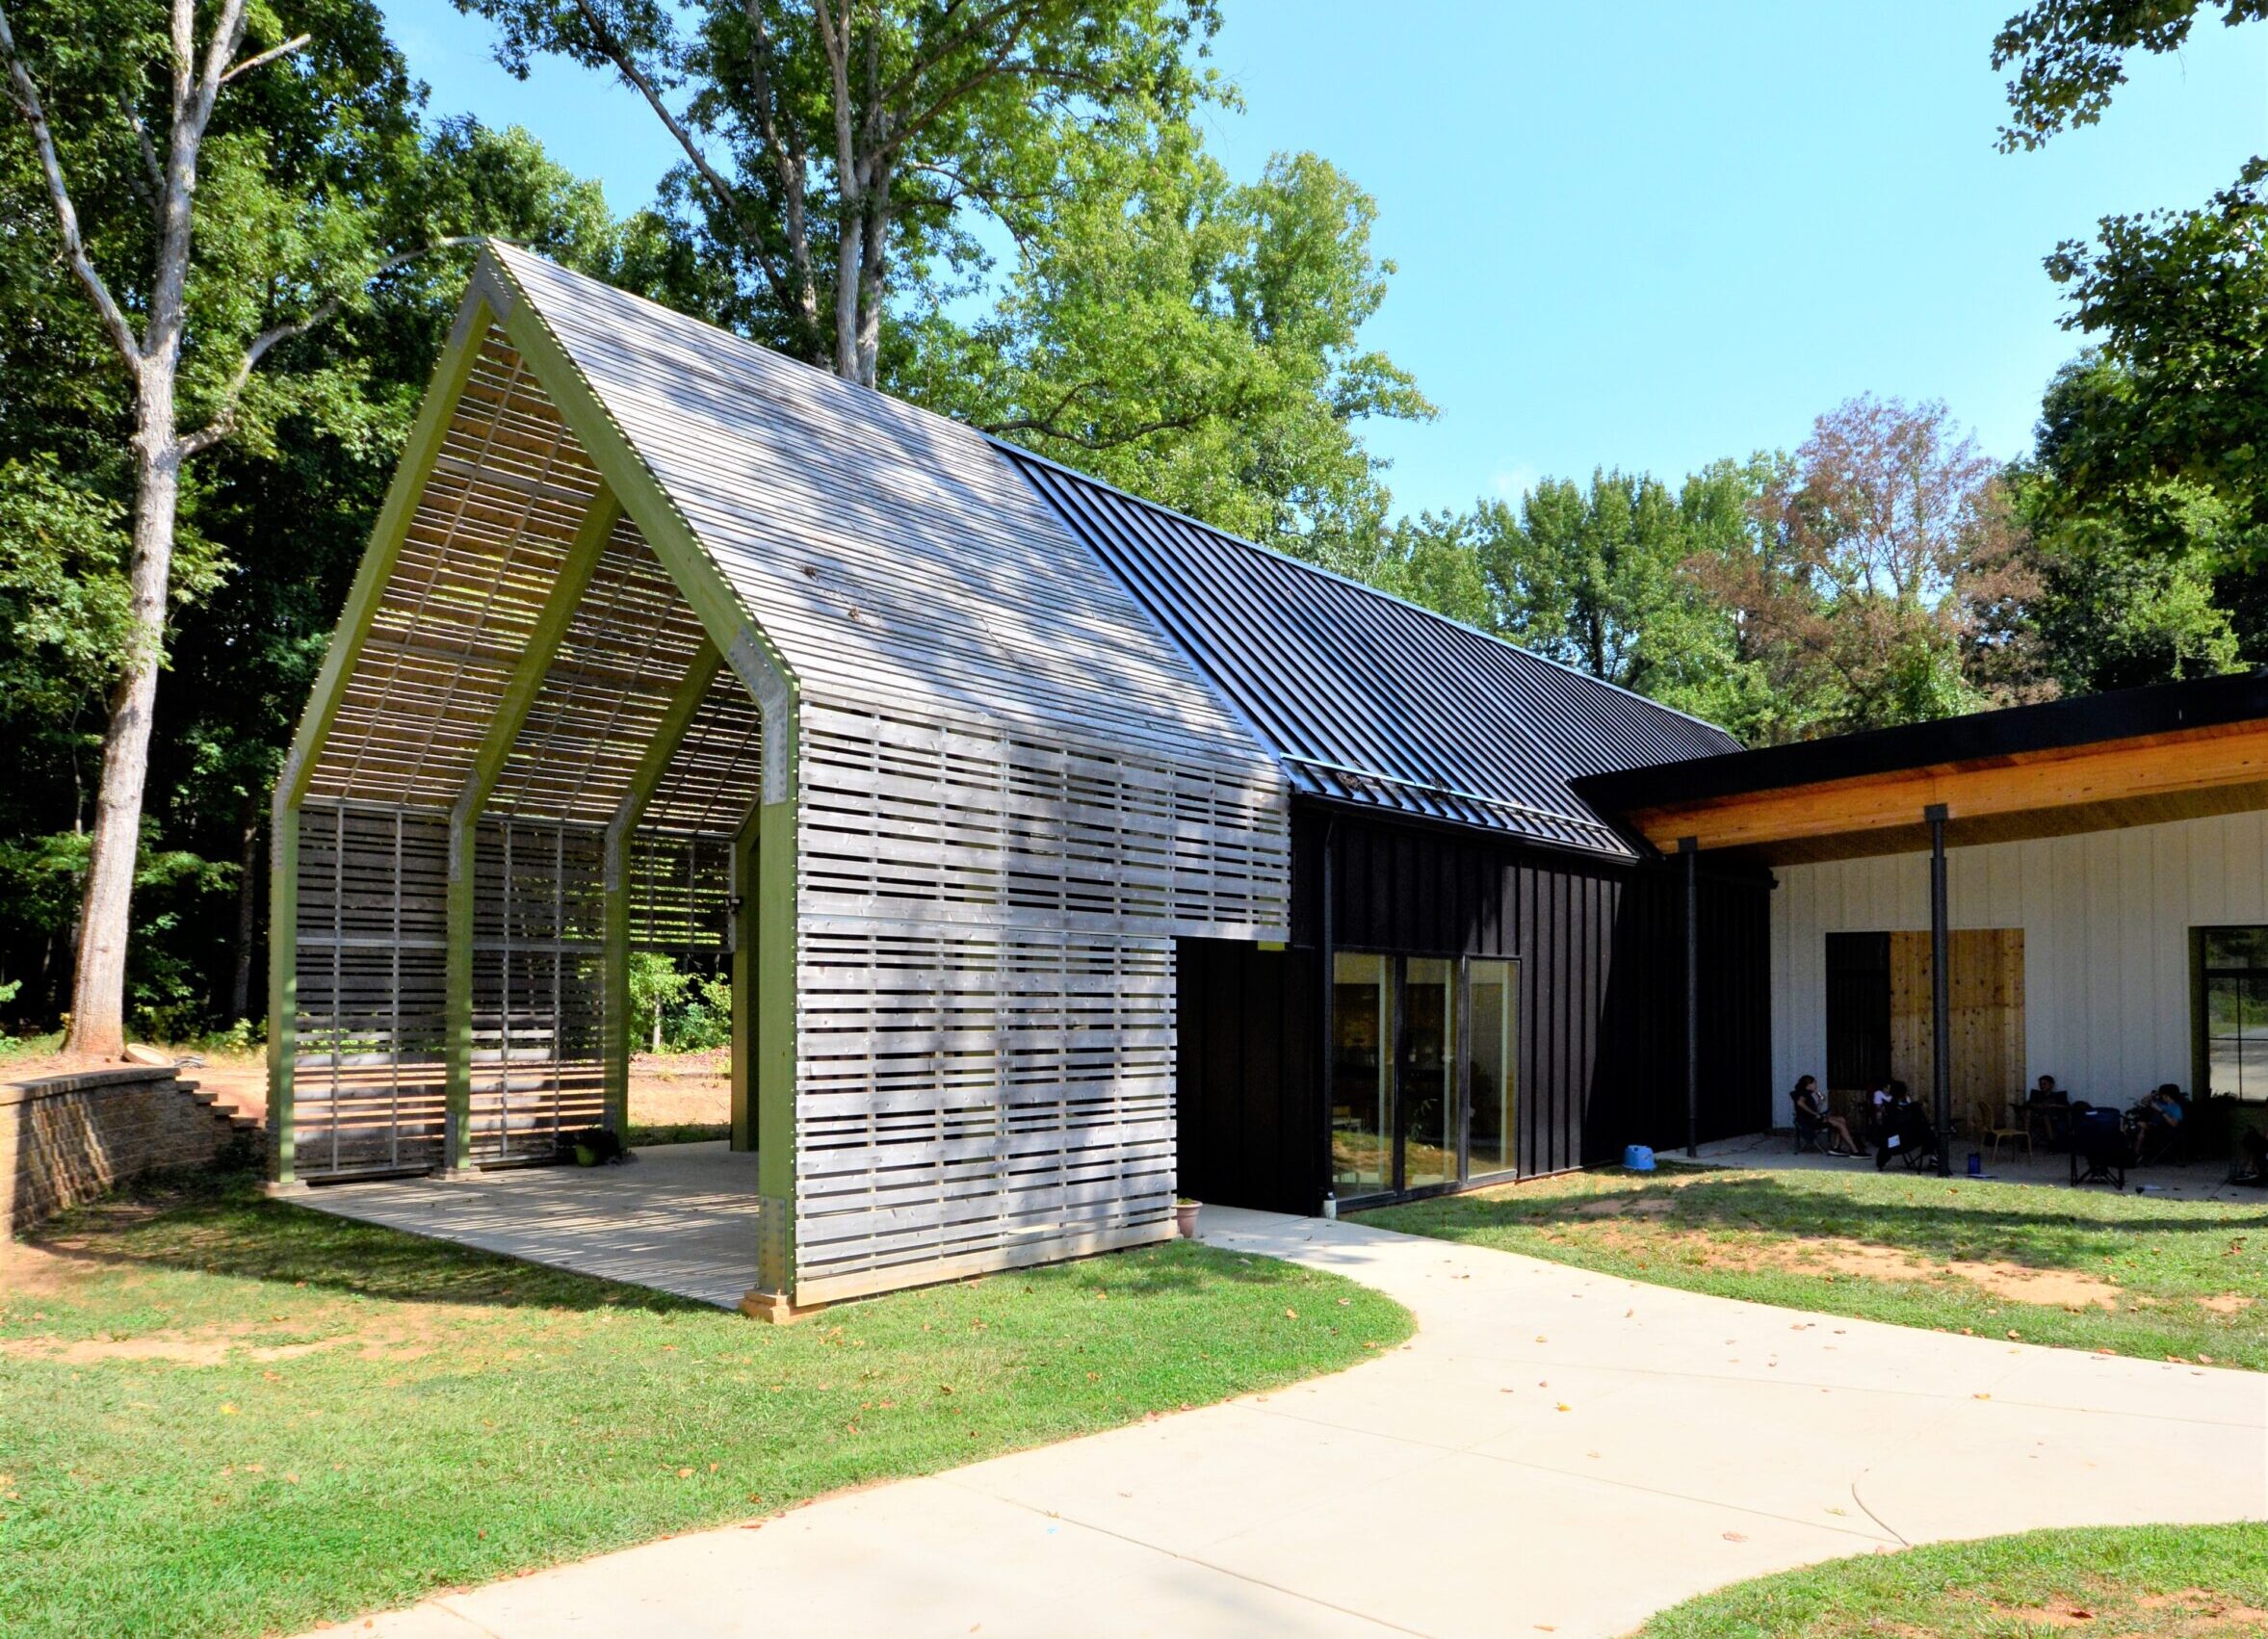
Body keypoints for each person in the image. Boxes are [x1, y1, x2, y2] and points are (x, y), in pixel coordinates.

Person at [1875, 1080, 1939, 1171]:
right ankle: (1934, 1158)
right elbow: (1922, 1124)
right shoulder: (1913, 1108)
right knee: (1930, 1132)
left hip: (1892, 1143)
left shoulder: (1888, 1107)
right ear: (1905, 1093)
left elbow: (1883, 1126)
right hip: (1909, 1140)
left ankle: (1881, 1161)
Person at [1791, 1075, 1861, 1156]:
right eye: (1814, 1083)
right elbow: (1800, 1103)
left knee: (1842, 1119)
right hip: (1808, 1121)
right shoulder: (1804, 1093)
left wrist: (1820, 1102)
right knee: (1840, 1124)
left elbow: (1815, 1110)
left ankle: (1836, 1147)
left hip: (1812, 1118)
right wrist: (1814, 1114)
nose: (1816, 1085)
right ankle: (1855, 1150)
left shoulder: (1808, 1094)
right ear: (1808, 1085)